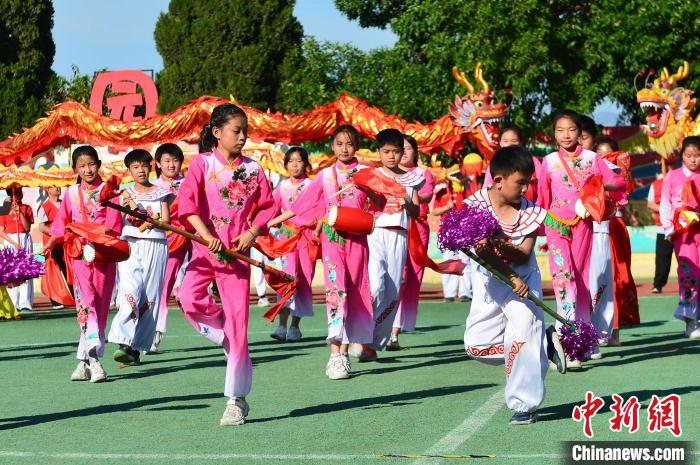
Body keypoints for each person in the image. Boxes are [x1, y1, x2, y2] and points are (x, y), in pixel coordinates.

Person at [177, 103, 276, 425]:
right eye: (237, 131)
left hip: (236, 256)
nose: (243, 137)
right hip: (205, 250)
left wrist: (251, 231)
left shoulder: (254, 170)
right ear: (217, 133)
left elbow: (267, 207)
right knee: (187, 297)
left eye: (245, 131)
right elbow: (188, 206)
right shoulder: (201, 164)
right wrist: (207, 236)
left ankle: (236, 400)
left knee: (239, 324)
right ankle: (223, 335)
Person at [464, 145, 565, 425]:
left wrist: (499, 243)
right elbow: (482, 256)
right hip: (491, 282)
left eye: (529, 183)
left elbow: (522, 253)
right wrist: (505, 271)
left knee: (521, 339)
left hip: (523, 283)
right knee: (476, 346)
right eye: (520, 183)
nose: (525, 189)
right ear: (497, 180)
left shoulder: (531, 213)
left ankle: (525, 404)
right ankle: (543, 344)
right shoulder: (474, 207)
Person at [283, 125, 377, 380]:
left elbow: (379, 204)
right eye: (339, 144)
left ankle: (348, 350)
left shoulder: (366, 174)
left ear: (356, 146)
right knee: (337, 292)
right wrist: (269, 222)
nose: (344, 149)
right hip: (332, 241)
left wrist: (373, 196)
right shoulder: (325, 176)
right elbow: (304, 204)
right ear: (332, 147)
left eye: (349, 144)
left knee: (357, 292)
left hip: (357, 242)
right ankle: (336, 355)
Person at [537, 110, 625, 367]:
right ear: (554, 133)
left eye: (571, 130)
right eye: (560, 130)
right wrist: (537, 227)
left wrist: (597, 188)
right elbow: (542, 197)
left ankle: (582, 343)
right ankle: (567, 343)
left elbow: (619, 183)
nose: (566, 135)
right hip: (556, 225)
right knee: (565, 279)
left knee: (581, 281)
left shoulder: (592, 158)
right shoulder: (549, 161)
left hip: (584, 225)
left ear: (580, 132)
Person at [41, 145, 122, 383]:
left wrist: (97, 237)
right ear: (75, 168)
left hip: (103, 255)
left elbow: (114, 226)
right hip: (78, 255)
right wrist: (51, 243)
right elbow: (61, 223)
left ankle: (83, 361)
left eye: (91, 164)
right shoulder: (71, 193)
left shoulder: (110, 192)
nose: (87, 169)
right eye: (82, 166)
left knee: (100, 304)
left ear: (98, 163)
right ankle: (96, 361)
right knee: (85, 305)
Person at [350, 129, 419, 360]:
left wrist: (406, 202)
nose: (391, 156)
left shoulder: (411, 177)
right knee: (375, 285)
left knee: (391, 293)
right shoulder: (370, 175)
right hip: (375, 233)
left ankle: (371, 344)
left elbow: (416, 212)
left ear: (403, 153)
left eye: (396, 152)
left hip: (399, 236)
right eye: (386, 151)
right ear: (378, 152)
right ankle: (359, 333)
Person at [107, 149, 172, 365]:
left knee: (150, 297)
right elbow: (122, 219)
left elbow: (166, 221)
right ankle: (123, 341)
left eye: (144, 165)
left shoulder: (162, 192)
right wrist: (131, 213)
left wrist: (154, 221)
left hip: (156, 245)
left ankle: (136, 346)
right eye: (135, 167)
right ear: (129, 171)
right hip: (131, 245)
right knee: (130, 291)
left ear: (151, 167)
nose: (141, 170)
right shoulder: (125, 195)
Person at [389, 134, 434, 350]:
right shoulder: (390, 174)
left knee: (411, 280)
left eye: (407, 148)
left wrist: (409, 194)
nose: (403, 152)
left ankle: (396, 331)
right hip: (395, 227)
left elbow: (426, 195)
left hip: (417, 229)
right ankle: (388, 326)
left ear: (415, 151)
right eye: (400, 148)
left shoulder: (423, 174)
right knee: (397, 277)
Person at [267, 146, 316, 342]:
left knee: (303, 282)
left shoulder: (312, 186)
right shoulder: (282, 187)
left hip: (306, 240)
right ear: (285, 165)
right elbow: (271, 210)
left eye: (299, 161)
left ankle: (295, 327)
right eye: (291, 161)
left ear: (306, 164)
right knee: (286, 281)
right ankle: (281, 326)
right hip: (286, 240)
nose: (294, 165)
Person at [660, 136, 700, 338]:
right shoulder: (672, 177)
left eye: (697, 156)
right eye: (689, 155)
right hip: (683, 236)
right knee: (689, 274)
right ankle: (691, 322)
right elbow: (665, 204)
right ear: (682, 155)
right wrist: (668, 229)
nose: (693, 160)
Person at [151, 143, 188, 353]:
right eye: (167, 161)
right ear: (158, 163)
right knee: (161, 288)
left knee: (188, 290)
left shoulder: (188, 183)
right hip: (165, 242)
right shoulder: (153, 186)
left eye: (175, 160)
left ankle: (219, 331)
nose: (171, 165)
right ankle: (155, 331)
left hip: (190, 238)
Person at [0, 188, 34, 312]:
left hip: (24, 238)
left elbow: (27, 227)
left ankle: (25, 303)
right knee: (11, 273)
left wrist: (20, 213)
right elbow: (1, 232)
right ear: (10, 195)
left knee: (26, 271)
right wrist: (14, 243)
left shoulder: (27, 208)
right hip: (10, 241)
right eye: (14, 193)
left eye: (19, 192)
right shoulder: (3, 209)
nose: (17, 195)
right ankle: (14, 303)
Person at [37, 186, 71, 309]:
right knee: (52, 273)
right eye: (53, 186)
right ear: (47, 190)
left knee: (70, 271)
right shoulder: (44, 207)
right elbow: (41, 227)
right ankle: (56, 301)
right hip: (51, 246)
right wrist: (56, 232)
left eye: (58, 186)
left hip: (67, 244)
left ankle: (75, 297)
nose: (57, 188)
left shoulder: (65, 204)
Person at [647, 173, 673, 294]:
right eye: (667, 166)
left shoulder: (685, 180)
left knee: (687, 257)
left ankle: (693, 284)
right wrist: (665, 208)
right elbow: (650, 204)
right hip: (663, 228)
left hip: (683, 226)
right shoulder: (655, 185)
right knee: (662, 258)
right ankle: (658, 284)